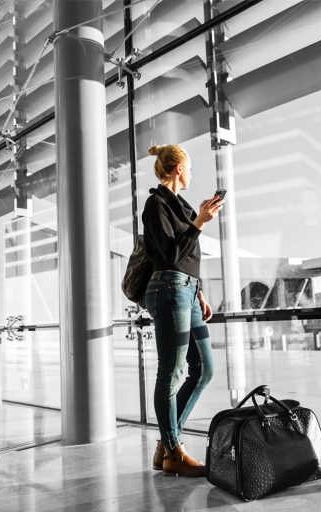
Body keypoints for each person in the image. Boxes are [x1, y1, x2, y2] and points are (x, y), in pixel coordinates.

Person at [141, 144, 224, 477]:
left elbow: (189, 257)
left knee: (204, 368)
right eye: (189, 168)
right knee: (172, 372)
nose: (191, 174)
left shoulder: (182, 206)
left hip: (188, 291)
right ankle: (173, 450)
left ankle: (166, 442)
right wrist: (200, 223)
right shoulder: (156, 204)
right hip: (169, 289)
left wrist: (200, 291)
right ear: (177, 169)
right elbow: (172, 254)